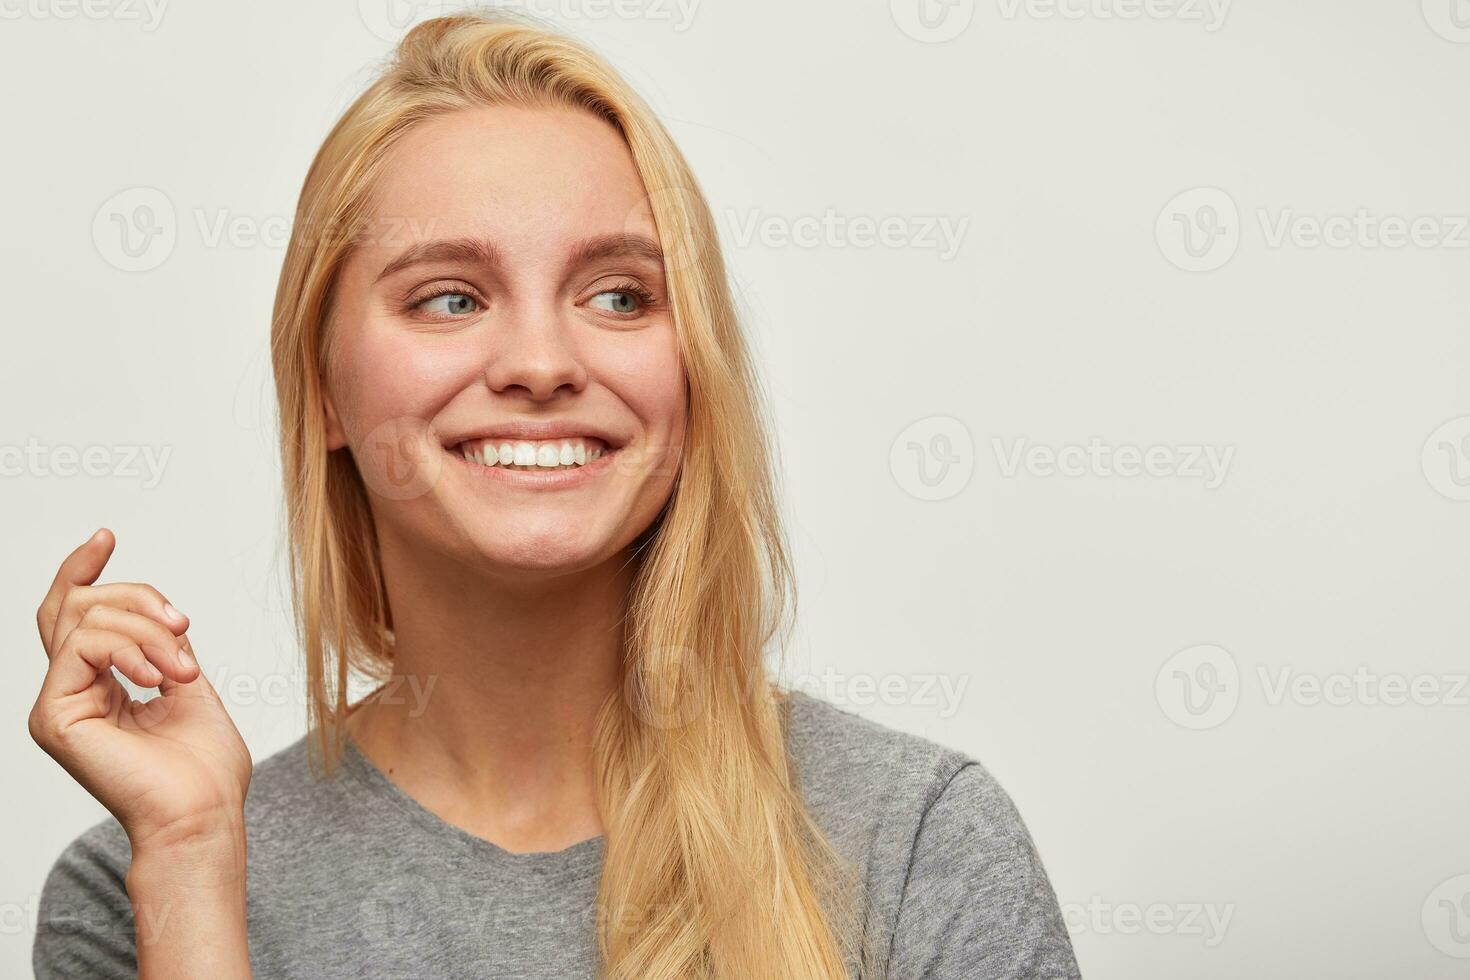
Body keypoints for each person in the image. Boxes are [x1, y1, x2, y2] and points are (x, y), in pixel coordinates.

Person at [28, 13, 1080, 979]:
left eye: (619, 294)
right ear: (325, 389)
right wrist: (190, 863)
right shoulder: (138, 889)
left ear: (695, 366)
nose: (541, 360)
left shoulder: (916, 847)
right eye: (449, 296)